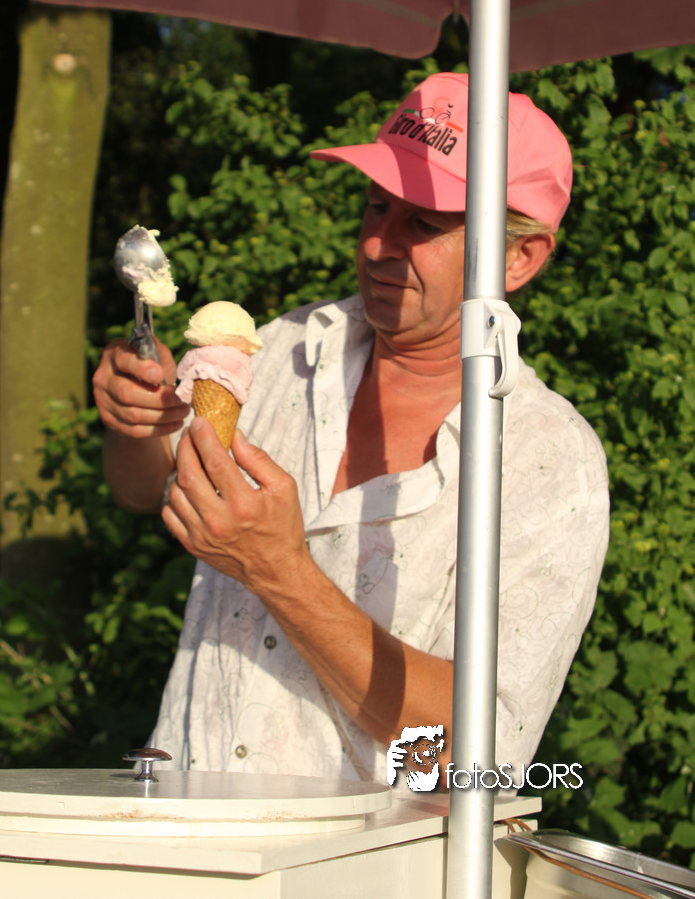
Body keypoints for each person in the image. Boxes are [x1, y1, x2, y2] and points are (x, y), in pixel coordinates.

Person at [93, 72, 609, 784]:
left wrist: (282, 573)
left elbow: (474, 754)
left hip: (368, 849)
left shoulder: (548, 462)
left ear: (519, 257)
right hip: (181, 815)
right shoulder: (282, 349)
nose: (377, 244)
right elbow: (142, 489)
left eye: (423, 224)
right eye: (376, 206)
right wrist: (137, 421)